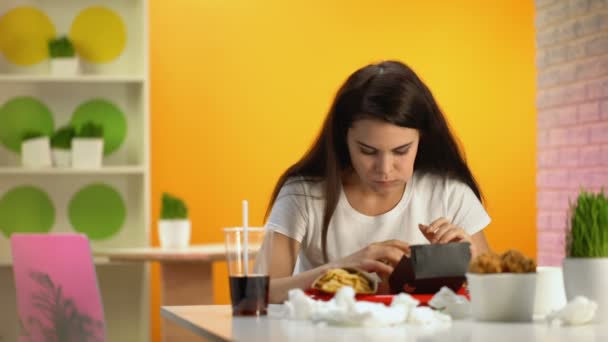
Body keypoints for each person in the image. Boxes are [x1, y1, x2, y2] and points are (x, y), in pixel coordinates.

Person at [262, 60, 491, 303]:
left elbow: (497, 296)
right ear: (343, 138)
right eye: (368, 151)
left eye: (401, 151)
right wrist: (340, 268)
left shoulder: (449, 193)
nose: (384, 169)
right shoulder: (304, 196)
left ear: (422, 138)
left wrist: (472, 261)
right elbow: (258, 293)